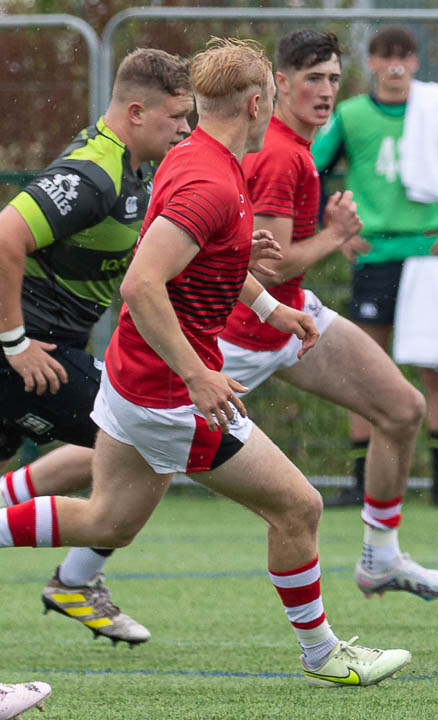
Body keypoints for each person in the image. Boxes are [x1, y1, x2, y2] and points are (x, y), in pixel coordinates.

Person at [0, 38, 411, 687]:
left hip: (134, 378)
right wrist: (197, 373)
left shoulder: (196, 156)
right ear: (256, 102)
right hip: (170, 393)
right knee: (299, 507)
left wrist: (271, 308)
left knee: (108, 520)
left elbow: (192, 255)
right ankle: (324, 653)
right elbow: (142, 282)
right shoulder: (211, 179)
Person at [219, 30, 438, 602]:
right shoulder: (281, 154)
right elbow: (273, 268)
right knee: (116, 484)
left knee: (402, 409)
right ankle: (69, 558)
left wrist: (327, 234)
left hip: (290, 319)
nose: (326, 91)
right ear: (280, 84)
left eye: (332, 78)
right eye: (312, 79)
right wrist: (335, 235)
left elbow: (279, 274)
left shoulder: (298, 146)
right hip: (240, 337)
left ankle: (381, 558)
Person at [0, 47, 195, 646]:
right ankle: (75, 583)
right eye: (177, 118)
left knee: (137, 448)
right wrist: (16, 343)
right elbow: (4, 235)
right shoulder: (93, 172)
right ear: (137, 111)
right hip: (35, 357)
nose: (187, 130)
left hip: (51, 352)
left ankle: (75, 580)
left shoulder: (130, 169)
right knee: (150, 439)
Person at [313, 25, 438, 509]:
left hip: (429, 255)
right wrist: (333, 231)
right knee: (364, 366)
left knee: (435, 365)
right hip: (376, 253)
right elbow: (309, 172)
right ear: (370, 63)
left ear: (415, 63)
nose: (395, 66)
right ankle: (359, 479)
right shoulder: (349, 114)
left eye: (404, 56)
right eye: (385, 56)